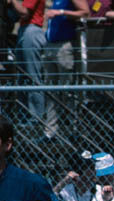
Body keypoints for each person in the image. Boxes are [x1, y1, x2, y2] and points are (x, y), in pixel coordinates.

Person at [42, 0, 87, 139]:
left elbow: (85, 12)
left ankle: (73, 129)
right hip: (51, 45)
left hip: (64, 47)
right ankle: (50, 131)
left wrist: (61, 12)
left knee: (67, 90)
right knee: (50, 91)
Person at [10, 0, 46, 128]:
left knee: (32, 76)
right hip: (24, 29)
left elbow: (24, 11)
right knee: (22, 77)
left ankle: (36, 118)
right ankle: (24, 117)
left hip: (31, 31)